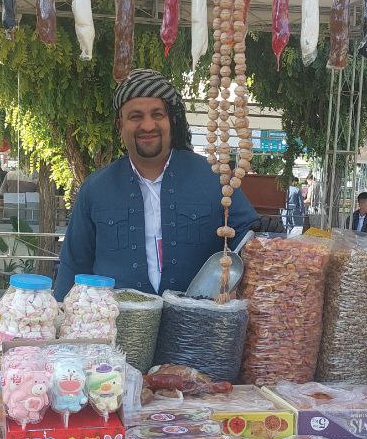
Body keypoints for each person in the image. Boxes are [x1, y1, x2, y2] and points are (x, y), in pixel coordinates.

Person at [55, 69, 278, 299]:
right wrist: (61, 313)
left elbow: (248, 242)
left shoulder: (215, 178)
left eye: (157, 114)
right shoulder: (95, 189)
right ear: (120, 125)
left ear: (172, 120)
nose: (148, 125)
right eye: (136, 116)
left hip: (198, 320)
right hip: (117, 319)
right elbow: (73, 266)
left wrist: (264, 234)